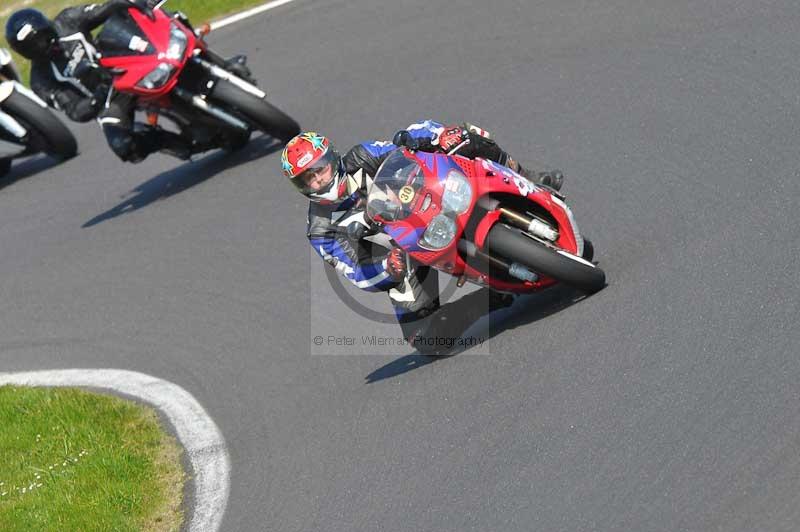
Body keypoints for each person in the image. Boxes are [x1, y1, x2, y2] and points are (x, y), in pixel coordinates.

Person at [282, 121, 565, 354]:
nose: (317, 181)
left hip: (426, 202)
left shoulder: (361, 157)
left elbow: (405, 142)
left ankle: (530, 180)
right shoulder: (320, 228)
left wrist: (439, 135)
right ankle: (489, 297)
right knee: (427, 341)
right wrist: (386, 269)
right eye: (306, 179)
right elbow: (355, 271)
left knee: (466, 138)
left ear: (333, 158)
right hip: (401, 252)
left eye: (319, 170)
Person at [4, 3, 250, 163]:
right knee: (122, 144)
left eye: (44, 37)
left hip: (126, 63)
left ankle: (220, 65)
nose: (44, 45)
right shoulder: (41, 79)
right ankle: (180, 143)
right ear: (25, 53)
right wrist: (96, 97)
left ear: (49, 28)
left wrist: (133, 3)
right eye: (33, 47)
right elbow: (74, 110)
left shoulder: (67, 20)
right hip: (110, 96)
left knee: (171, 19)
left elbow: (106, 8)